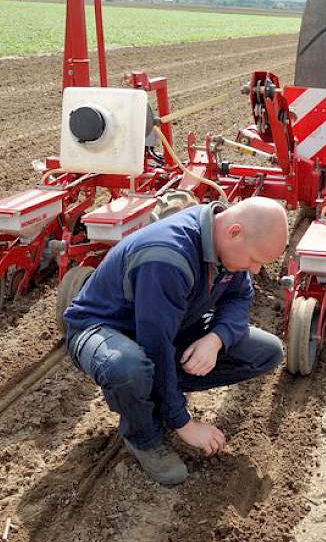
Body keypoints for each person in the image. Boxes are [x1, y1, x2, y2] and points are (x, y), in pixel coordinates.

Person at [63, 197, 289, 485]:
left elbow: (239, 297)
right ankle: (144, 435)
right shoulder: (168, 257)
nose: (255, 271)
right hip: (105, 330)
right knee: (129, 368)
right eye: (255, 260)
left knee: (265, 352)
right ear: (234, 231)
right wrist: (184, 423)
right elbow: (155, 346)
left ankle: (153, 393)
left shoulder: (225, 248)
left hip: (167, 325)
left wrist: (216, 339)